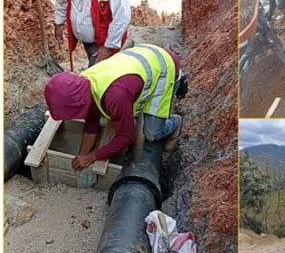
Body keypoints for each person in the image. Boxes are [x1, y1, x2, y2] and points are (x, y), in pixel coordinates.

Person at [44, 43, 188, 170]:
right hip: (142, 56)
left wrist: (92, 157)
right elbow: (91, 121)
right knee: (121, 111)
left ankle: (174, 123)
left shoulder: (115, 96)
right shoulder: (83, 84)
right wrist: (82, 154)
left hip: (164, 65)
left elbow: (126, 137)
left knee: (152, 134)